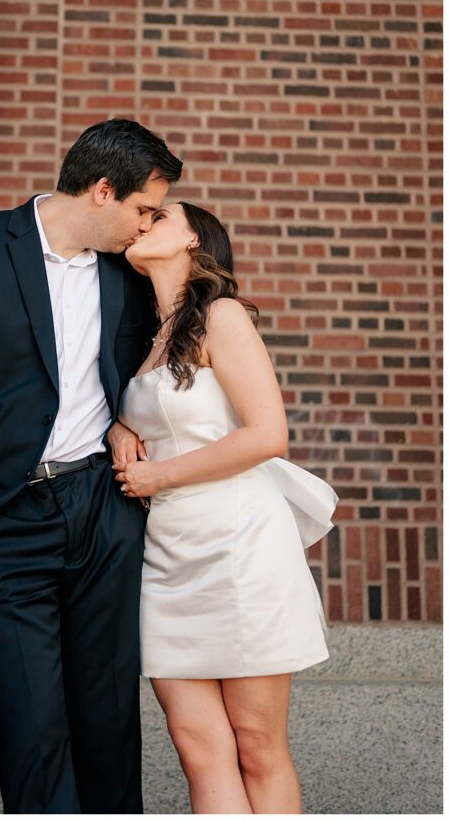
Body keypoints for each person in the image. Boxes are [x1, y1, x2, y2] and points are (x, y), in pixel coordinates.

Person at [0, 118, 183, 814]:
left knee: (107, 728)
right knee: (33, 732)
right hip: (1, 521)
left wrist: (128, 423)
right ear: (101, 189)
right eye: (141, 209)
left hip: (101, 514)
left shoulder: (126, 271)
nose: (147, 224)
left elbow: (161, 360)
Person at [114, 201, 338, 814]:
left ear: (193, 241)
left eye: (158, 214)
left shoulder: (222, 315)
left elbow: (268, 435)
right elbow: (148, 412)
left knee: (258, 744)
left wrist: (157, 472)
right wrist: (117, 431)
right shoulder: (150, 335)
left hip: (240, 545)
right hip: (167, 556)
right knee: (195, 746)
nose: (142, 221)